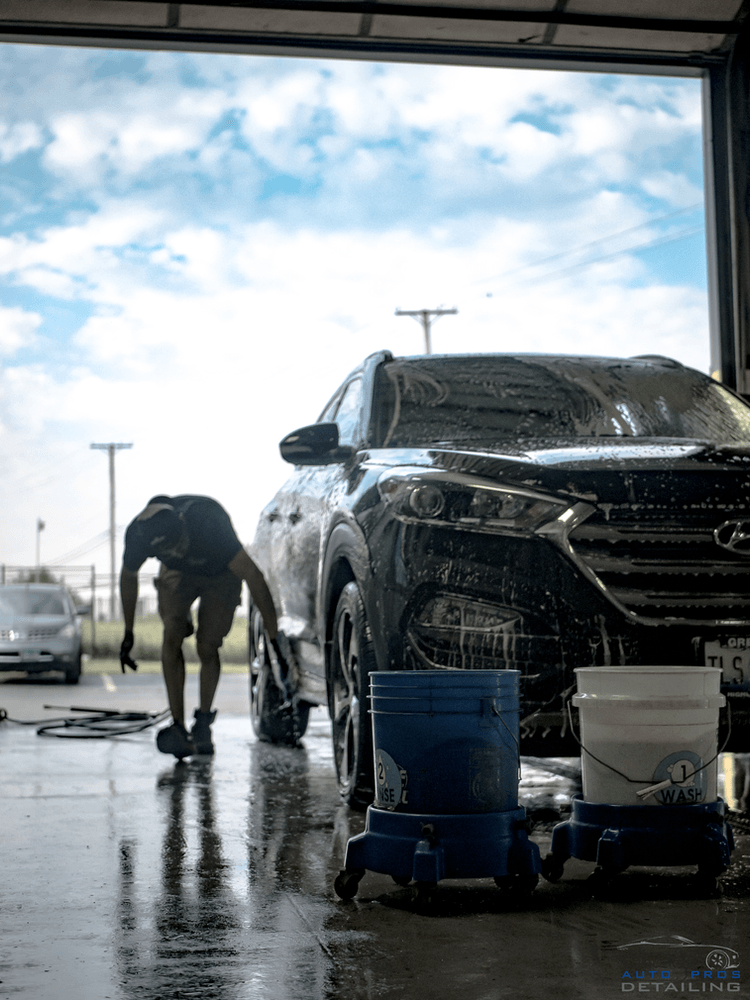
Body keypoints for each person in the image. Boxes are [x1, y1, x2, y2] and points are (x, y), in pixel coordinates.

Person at [119, 494, 283, 759]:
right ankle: (178, 726)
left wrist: (274, 636)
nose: (178, 554)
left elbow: (254, 577)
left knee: (207, 645)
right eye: (169, 552)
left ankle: (203, 722)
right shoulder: (139, 535)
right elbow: (128, 578)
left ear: (183, 525)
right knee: (171, 635)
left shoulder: (210, 525)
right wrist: (128, 633)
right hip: (178, 575)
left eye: (179, 545)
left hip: (220, 572)